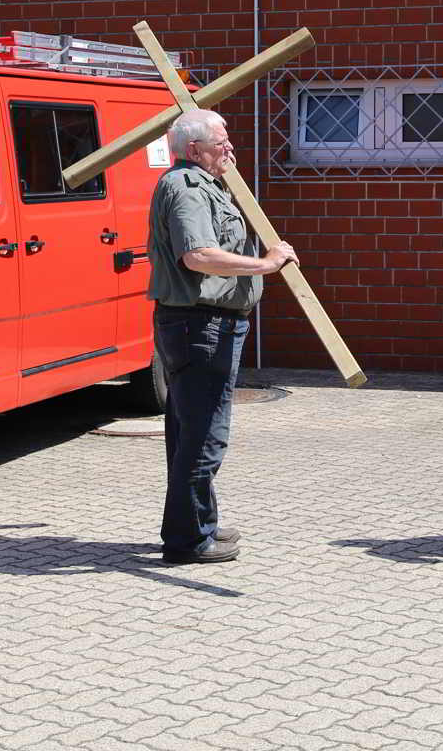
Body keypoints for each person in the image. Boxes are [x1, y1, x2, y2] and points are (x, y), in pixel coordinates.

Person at [146, 109, 296, 565]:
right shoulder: (185, 188)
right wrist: (267, 264)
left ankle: (198, 523)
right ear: (195, 150)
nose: (230, 148)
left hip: (206, 324)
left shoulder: (209, 184)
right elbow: (198, 256)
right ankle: (188, 541)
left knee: (192, 429)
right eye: (221, 142)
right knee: (204, 433)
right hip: (201, 326)